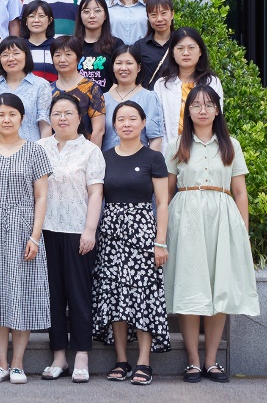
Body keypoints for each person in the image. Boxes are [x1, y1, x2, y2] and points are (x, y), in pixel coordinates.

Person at [164, 85, 260, 385]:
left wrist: (243, 233)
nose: (202, 110)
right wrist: (162, 232)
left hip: (222, 218)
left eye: (208, 105)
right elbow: (166, 193)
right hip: (185, 218)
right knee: (190, 287)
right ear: (188, 111)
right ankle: (193, 361)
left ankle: (211, 361)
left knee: (220, 289)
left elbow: (240, 192)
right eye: (195, 105)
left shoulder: (231, 144)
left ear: (217, 110)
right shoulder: (176, 145)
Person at [93, 100, 170, 385]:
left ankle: (144, 362)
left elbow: (162, 203)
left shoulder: (153, 158)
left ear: (143, 123)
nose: (127, 124)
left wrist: (160, 242)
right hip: (111, 233)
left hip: (143, 233)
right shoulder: (104, 157)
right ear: (114, 125)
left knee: (142, 296)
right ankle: (121, 360)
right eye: (121, 119)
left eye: (132, 118)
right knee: (115, 295)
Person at [0, 93, 52, 384]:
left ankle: (18, 364)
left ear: (22, 118)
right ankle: (1, 364)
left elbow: (41, 196)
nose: (6, 119)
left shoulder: (35, 151)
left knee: (23, 290)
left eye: (12, 114)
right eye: (1, 114)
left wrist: (35, 236)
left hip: (24, 227)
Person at [37, 93, 105, 383]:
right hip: (46, 231)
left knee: (79, 295)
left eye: (68, 113)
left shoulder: (91, 151)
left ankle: (81, 356)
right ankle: (59, 358)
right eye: (57, 113)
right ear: (50, 119)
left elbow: (96, 193)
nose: (62, 118)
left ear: (80, 118)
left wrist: (90, 230)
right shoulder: (39, 148)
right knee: (53, 296)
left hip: (78, 231)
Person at [154, 27, 224, 139]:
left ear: (200, 51)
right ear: (172, 52)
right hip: (171, 147)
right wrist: (169, 148)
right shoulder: (162, 85)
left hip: (204, 145)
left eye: (191, 48)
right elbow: (159, 125)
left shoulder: (212, 82)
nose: (186, 53)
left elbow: (216, 117)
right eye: (180, 48)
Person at [0, 36, 53, 142]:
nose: (11, 58)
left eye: (16, 53)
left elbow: (45, 125)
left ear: (26, 55)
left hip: (32, 148)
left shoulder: (41, 85)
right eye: (5, 55)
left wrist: (44, 151)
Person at [104, 45, 166, 151]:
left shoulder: (148, 98)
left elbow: (155, 138)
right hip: (107, 159)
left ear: (138, 67)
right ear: (113, 67)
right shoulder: (103, 99)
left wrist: (151, 161)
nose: (124, 68)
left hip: (140, 160)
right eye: (119, 63)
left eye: (129, 63)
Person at [51, 35, 106, 146]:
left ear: (79, 58)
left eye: (68, 54)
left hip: (84, 150)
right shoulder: (48, 89)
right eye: (57, 55)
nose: (62, 60)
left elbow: (98, 130)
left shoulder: (91, 88)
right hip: (54, 151)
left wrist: (91, 155)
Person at [77, 0, 121, 92]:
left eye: (97, 11)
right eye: (86, 12)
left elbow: (121, 78)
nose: (92, 16)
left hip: (109, 98)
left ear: (105, 15)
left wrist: (108, 97)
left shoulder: (116, 44)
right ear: (80, 15)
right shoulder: (72, 44)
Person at [132, 0, 175, 89]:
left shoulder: (180, 43)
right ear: (148, 17)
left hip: (176, 96)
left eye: (163, 13)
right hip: (149, 96)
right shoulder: (140, 46)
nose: (159, 19)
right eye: (153, 15)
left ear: (172, 14)